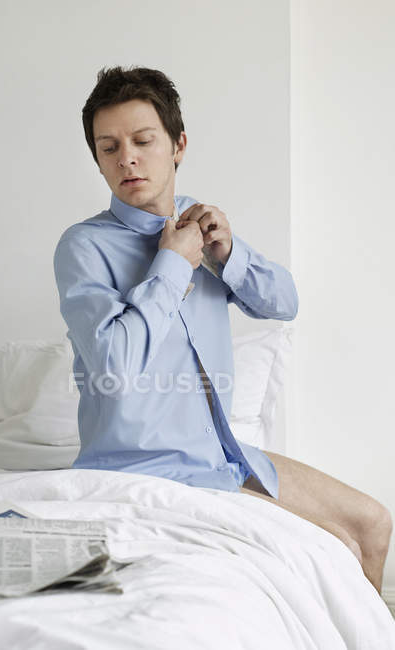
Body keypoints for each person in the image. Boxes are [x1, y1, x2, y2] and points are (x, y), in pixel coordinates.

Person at [53, 65, 392, 594]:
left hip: (223, 454)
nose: (127, 159)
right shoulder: (83, 247)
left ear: (178, 144)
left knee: (373, 524)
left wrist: (228, 254)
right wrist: (170, 266)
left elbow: (285, 303)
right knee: (338, 549)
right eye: (109, 147)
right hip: (147, 471)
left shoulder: (200, 224)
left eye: (143, 140)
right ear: (97, 159)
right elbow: (114, 368)